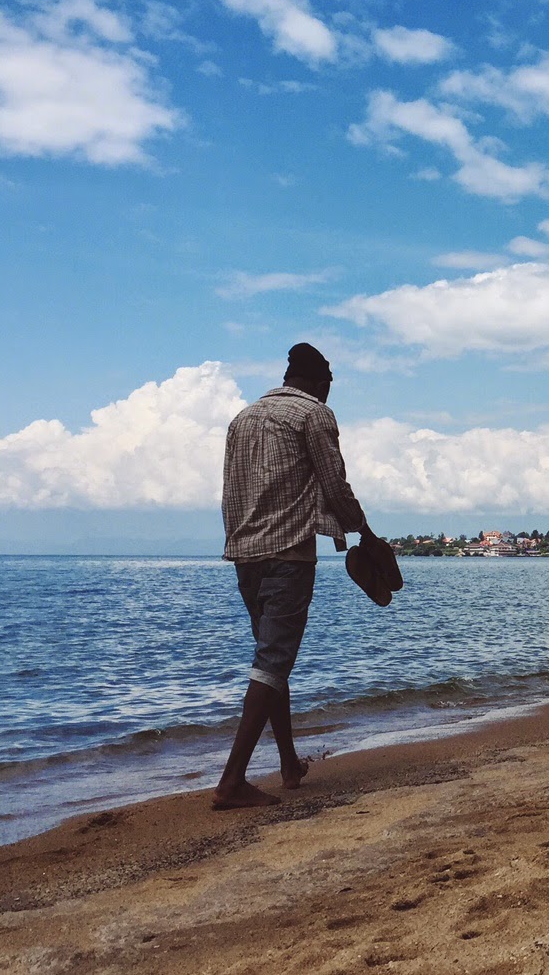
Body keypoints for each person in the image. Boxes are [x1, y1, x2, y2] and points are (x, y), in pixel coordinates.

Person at [214, 342, 380, 810]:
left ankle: (289, 764)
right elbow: (334, 483)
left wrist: (239, 540)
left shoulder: (242, 418)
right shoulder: (313, 415)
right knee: (272, 663)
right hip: (289, 553)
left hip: (245, 553)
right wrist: (365, 531)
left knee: (271, 663)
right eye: (328, 386)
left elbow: (231, 490)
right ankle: (231, 782)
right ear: (320, 383)